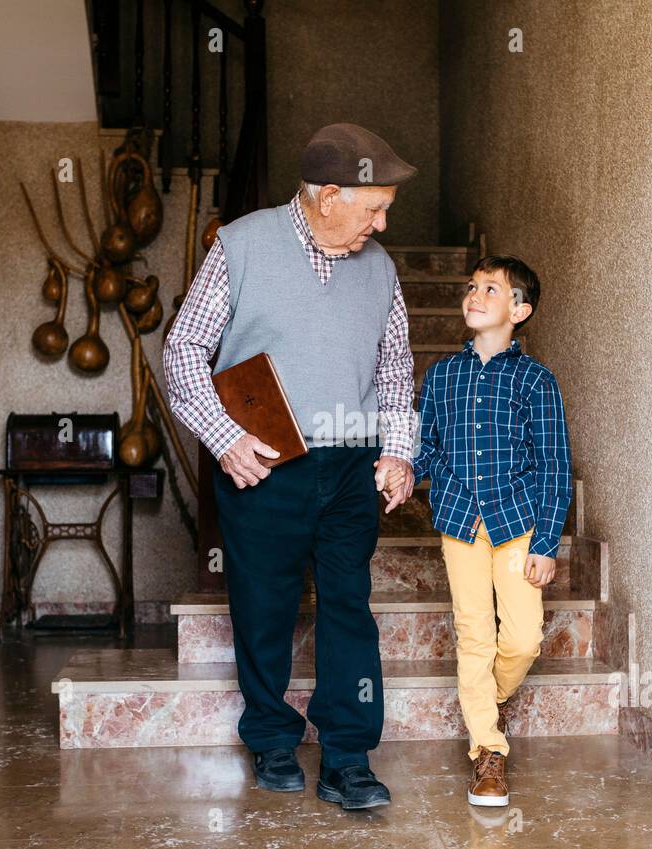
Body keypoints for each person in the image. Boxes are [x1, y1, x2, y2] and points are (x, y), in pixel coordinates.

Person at [163, 123, 419, 810]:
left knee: (348, 608)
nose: (383, 222)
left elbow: (394, 366)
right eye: (374, 207)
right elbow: (185, 348)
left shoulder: (381, 268)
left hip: (351, 467)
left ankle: (347, 755)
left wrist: (398, 450)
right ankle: (272, 738)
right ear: (329, 196)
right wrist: (225, 439)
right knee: (263, 604)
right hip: (267, 463)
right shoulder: (242, 246)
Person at [402, 254, 572, 806]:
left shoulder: (536, 381)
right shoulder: (442, 376)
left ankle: (484, 698)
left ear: (519, 310)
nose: (474, 296)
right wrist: (403, 471)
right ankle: (488, 753)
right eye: (471, 287)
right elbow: (427, 448)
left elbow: (554, 467)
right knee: (473, 634)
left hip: (518, 523)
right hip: (458, 522)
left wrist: (546, 543)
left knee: (522, 637)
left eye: (490, 290)